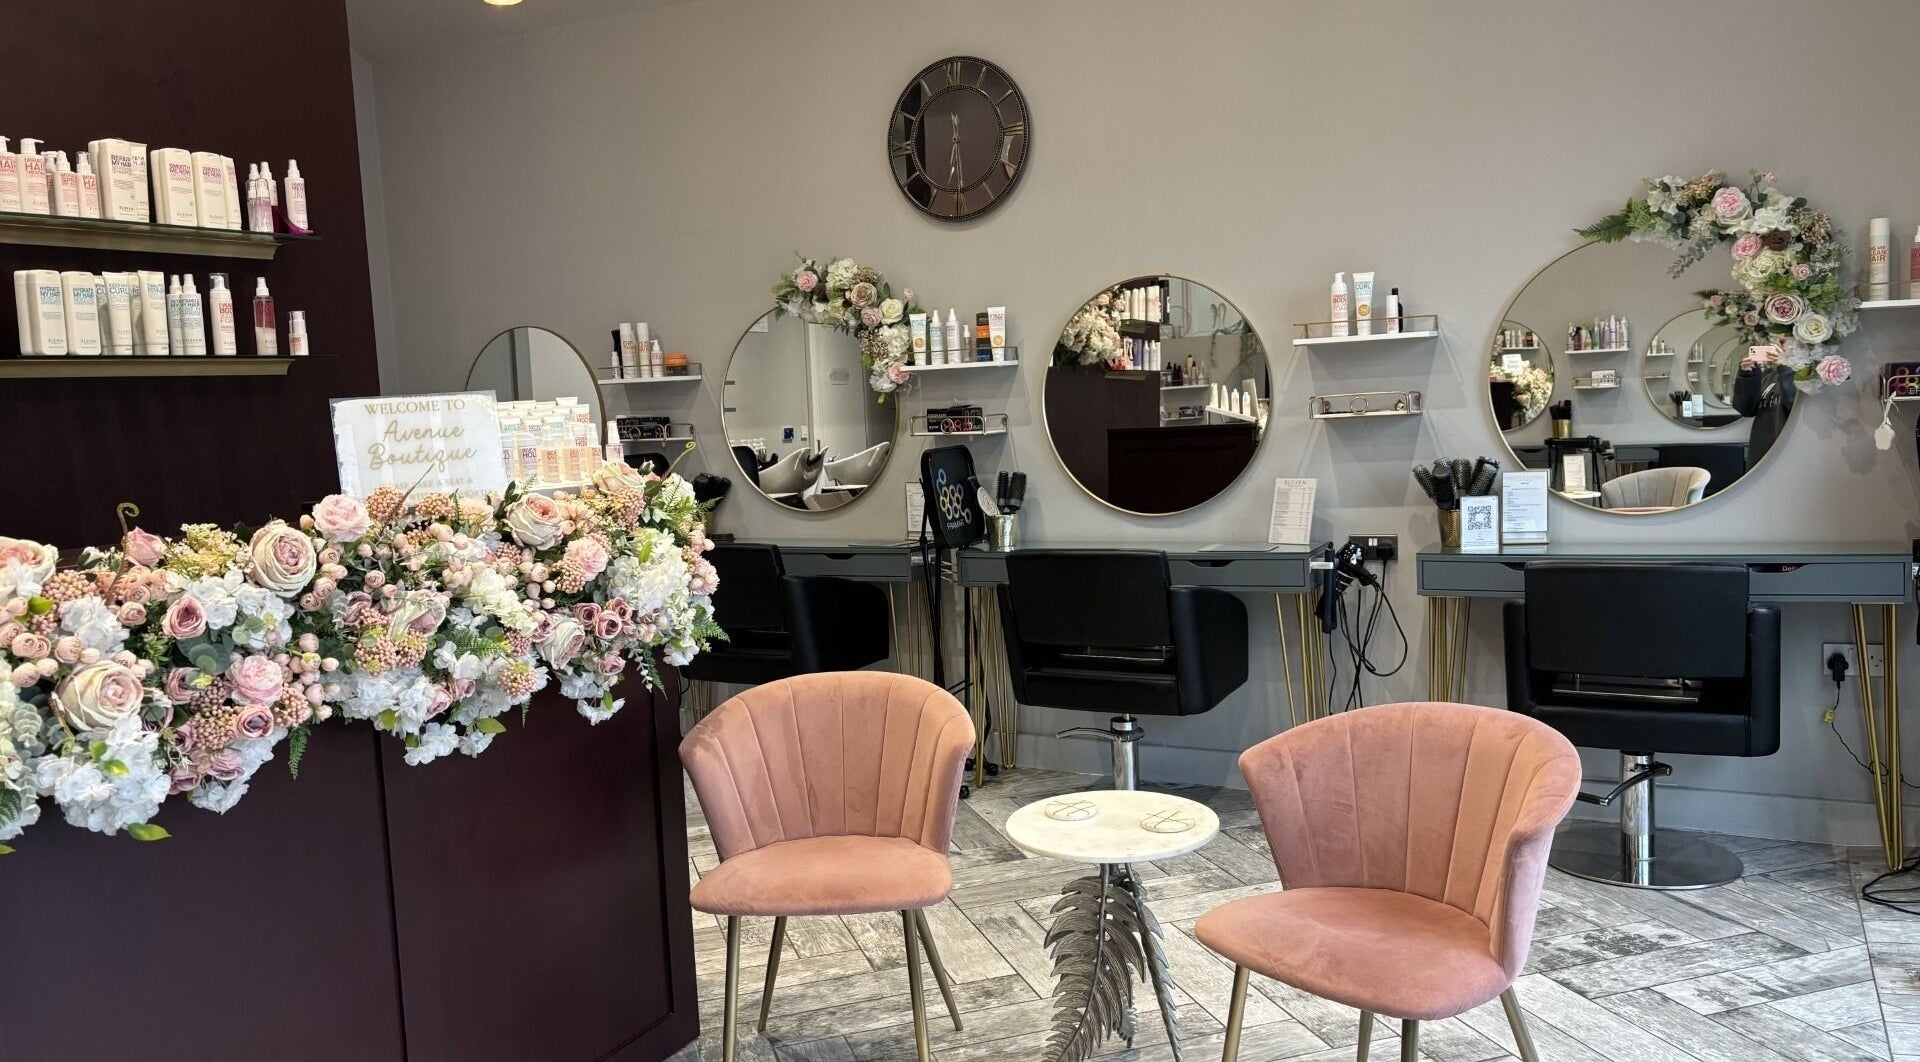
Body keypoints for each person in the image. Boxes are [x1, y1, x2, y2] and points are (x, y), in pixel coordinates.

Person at [1731, 344, 1797, 466]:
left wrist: (1786, 368)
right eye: (1777, 341)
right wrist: (1747, 377)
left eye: (1784, 341)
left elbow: (1794, 407)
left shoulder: (1804, 378)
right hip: (1761, 453)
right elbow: (1746, 409)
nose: (1779, 346)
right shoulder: (1769, 376)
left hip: (1788, 454)